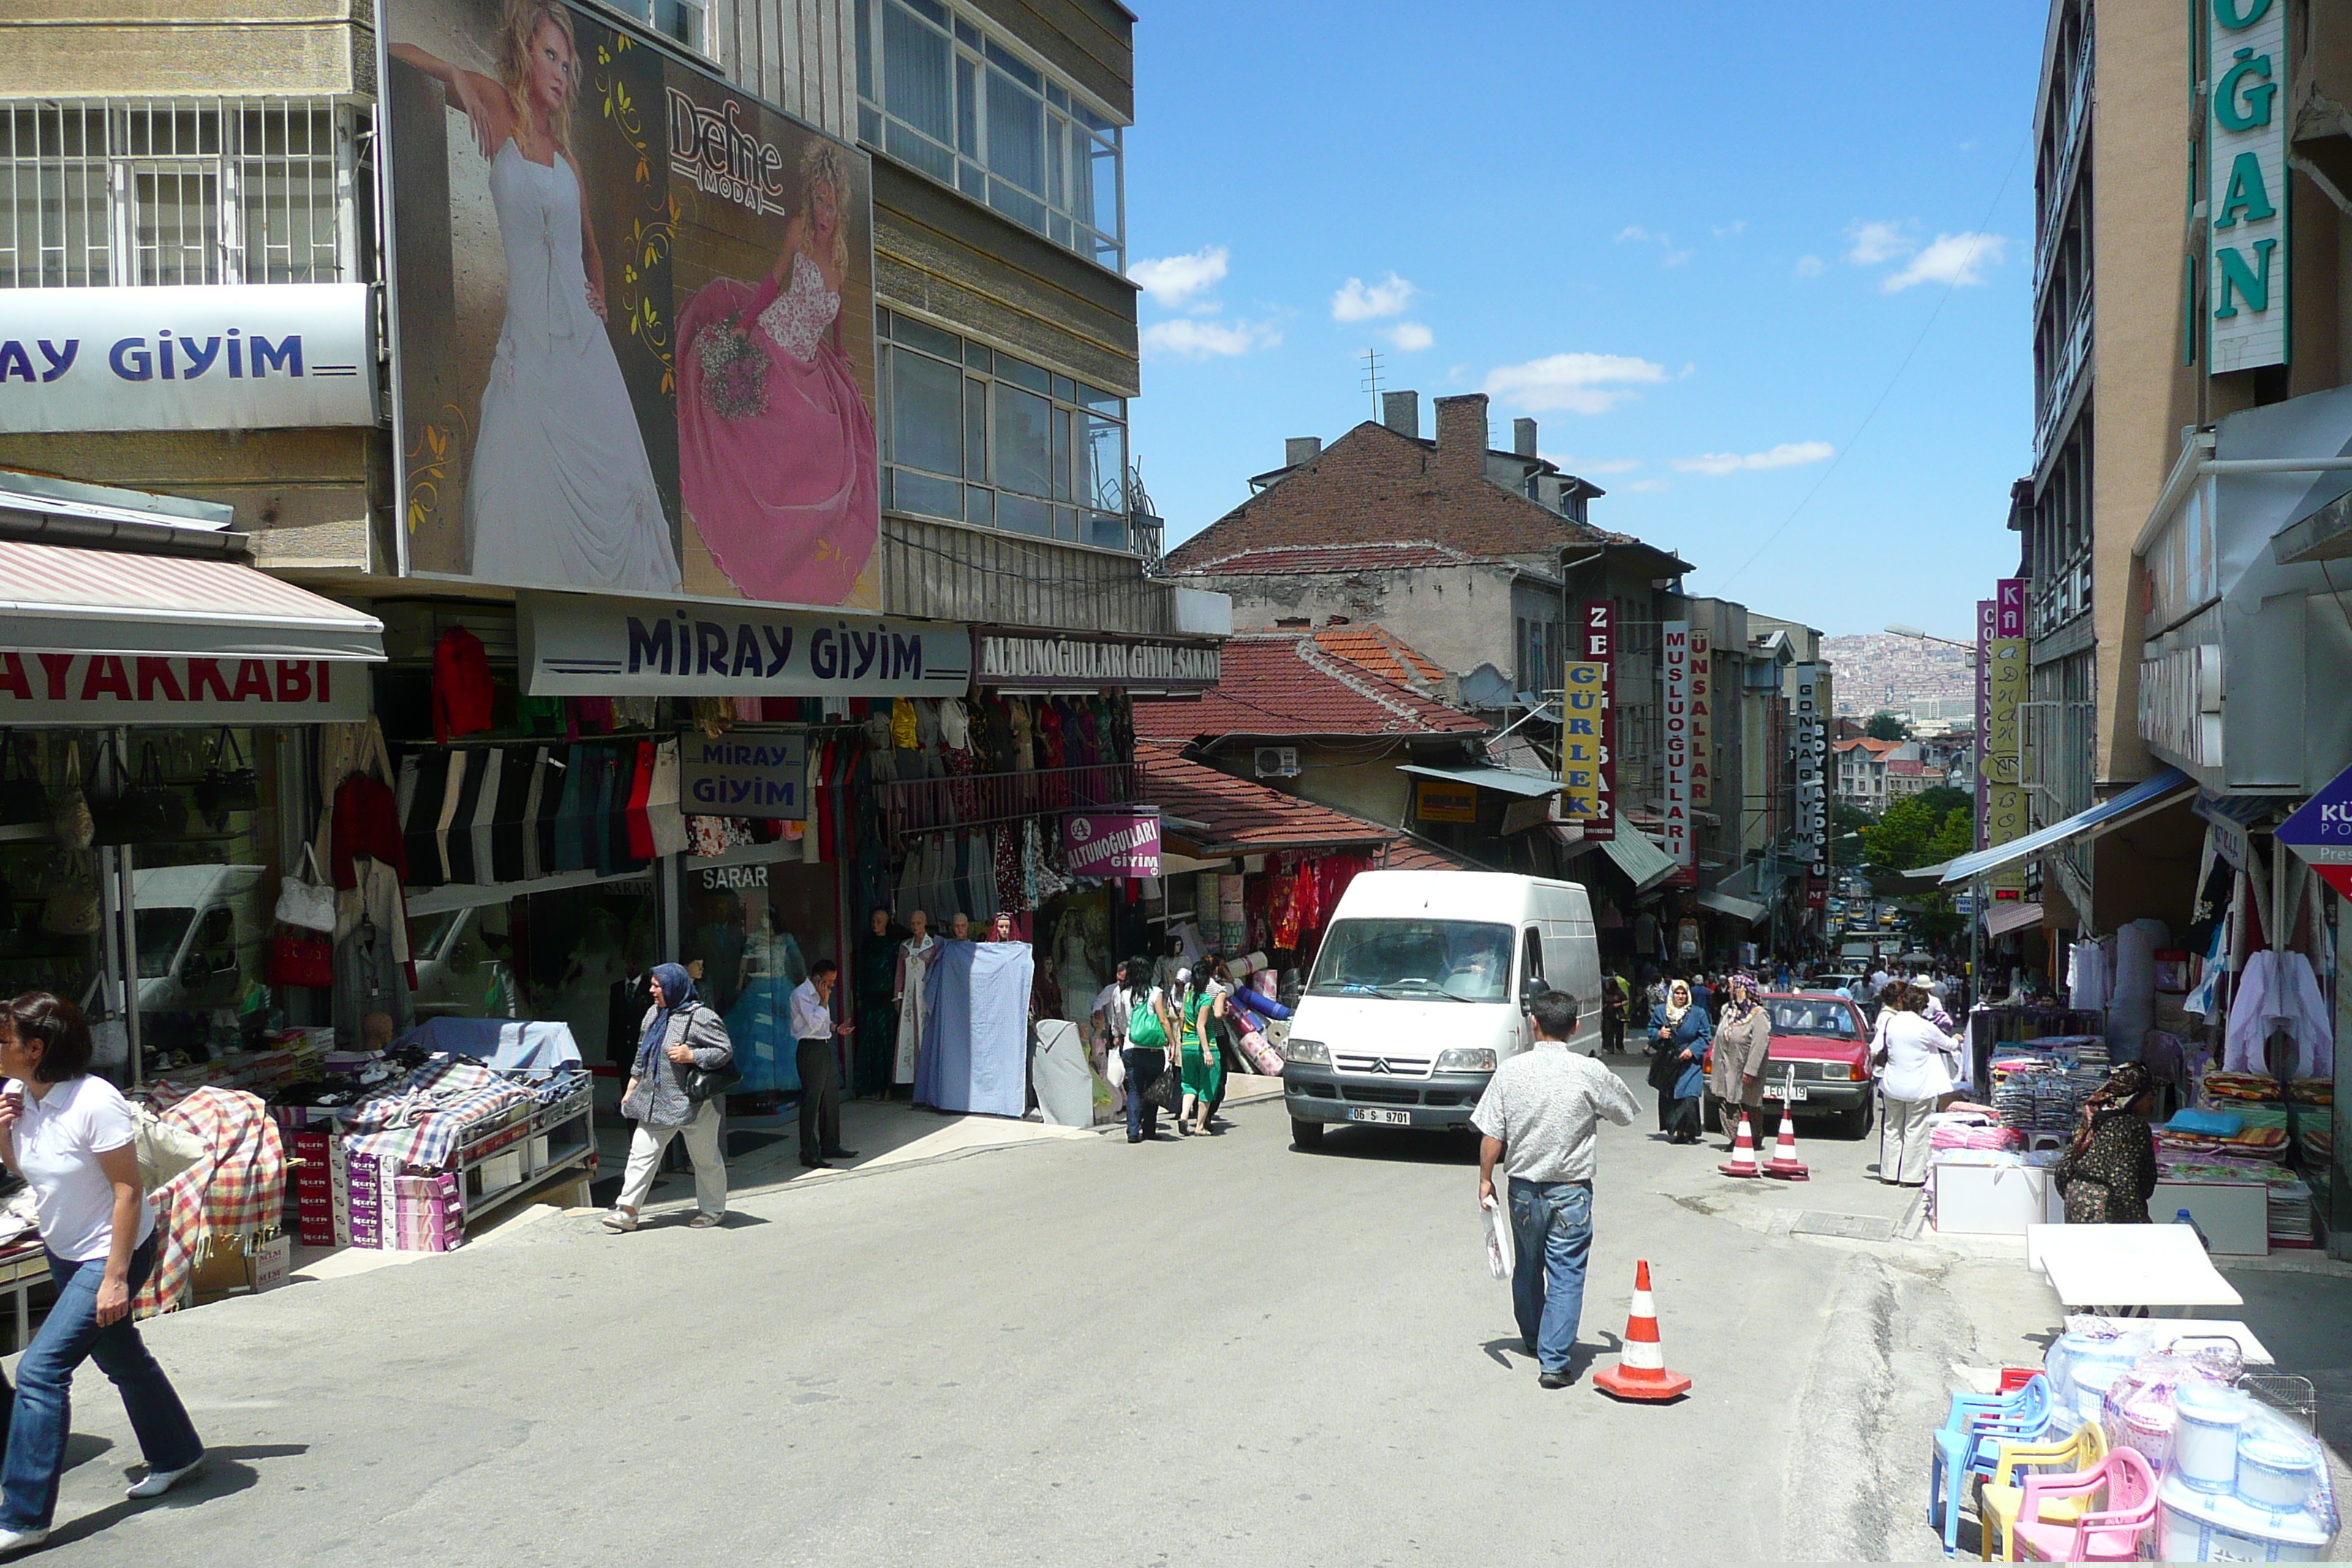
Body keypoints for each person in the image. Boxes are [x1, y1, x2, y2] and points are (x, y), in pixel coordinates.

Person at [388, 7, 683, 594]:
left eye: (567, 64)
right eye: (550, 55)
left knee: (616, 494)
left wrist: (599, 295)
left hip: (586, 356)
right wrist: (458, 75)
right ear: (524, 53)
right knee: (520, 493)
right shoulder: (497, 108)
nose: (560, 73)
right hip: (529, 354)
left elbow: (592, 252)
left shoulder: (571, 161)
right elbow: (395, 48)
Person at [0, 995, 206, 1549]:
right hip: (63, 1247)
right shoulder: (18, 1095)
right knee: (119, 1354)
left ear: (35, 1049)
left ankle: (21, 1517)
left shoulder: (95, 1101)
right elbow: (27, 1168)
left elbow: (128, 1189)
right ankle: (179, 1453)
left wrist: (116, 1277)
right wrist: (2, 1130)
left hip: (111, 1251)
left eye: (4, 1040)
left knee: (41, 1371)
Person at [674, 137, 879, 605]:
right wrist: (745, 327)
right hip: (774, 339)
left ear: (841, 209)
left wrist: (842, 349)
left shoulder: (841, 256)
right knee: (767, 443)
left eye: (832, 204)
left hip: (809, 356)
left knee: (827, 442)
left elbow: (838, 309)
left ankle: (799, 557)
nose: (824, 212)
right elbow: (772, 282)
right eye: (819, 200)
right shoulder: (799, 233)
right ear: (811, 198)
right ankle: (753, 529)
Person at [1473, 992, 1640, 1390]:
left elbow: (1493, 1134)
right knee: (1566, 1274)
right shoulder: (1589, 1071)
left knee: (1528, 1267)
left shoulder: (1511, 1072)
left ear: (1534, 1024)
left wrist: (1484, 1179)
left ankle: (1533, 1338)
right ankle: (1554, 1361)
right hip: (1571, 1193)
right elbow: (1626, 1113)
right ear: (1575, 1027)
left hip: (1523, 1192)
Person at [607, 963, 734, 1230]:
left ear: (674, 986)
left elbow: (724, 1051)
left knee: (705, 1158)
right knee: (641, 1152)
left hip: (694, 1104)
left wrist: (692, 1055)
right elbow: (643, 1054)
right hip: (655, 1103)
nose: (652, 990)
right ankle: (627, 1210)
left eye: (657, 985)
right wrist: (632, 1088)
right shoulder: (653, 1014)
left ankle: (713, 1210)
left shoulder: (700, 1016)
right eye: (652, 984)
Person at [1872, 983, 1962, 1186]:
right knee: (1915, 1130)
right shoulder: (1926, 1027)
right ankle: (1909, 1177)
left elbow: (1874, 1048)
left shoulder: (1890, 1023)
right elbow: (1949, 1045)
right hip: (1919, 1088)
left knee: (1892, 1128)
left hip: (1892, 1085)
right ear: (1922, 1007)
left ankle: (1888, 1173)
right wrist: (1958, 1039)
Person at [2052, 1063, 2159, 1223]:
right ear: (2133, 1097)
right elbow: (2123, 1178)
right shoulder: (2132, 1127)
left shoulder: (2091, 1119)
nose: (2153, 1104)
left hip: (2075, 1199)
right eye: (2150, 1097)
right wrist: (2140, 1222)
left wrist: (2074, 1194)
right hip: (2105, 1207)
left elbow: (2065, 1166)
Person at [790, 959, 857, 1169]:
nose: (832, 986)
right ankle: (808, 1151)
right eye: (829, 981)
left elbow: (823, 1024)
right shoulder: (801, 995)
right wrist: (824, 1002)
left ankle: (830, 1143)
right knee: (812, 1100)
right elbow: (813, 1023)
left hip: (824, 1045)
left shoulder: (821, 996)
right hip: (810, 1049)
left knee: (830, 1097)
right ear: (818, 980)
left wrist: (836, 1028)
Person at [1107, 959, 1172, 1143]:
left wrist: (1119, 1034)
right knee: (1152, 1089)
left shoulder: (1123, 994)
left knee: (1134, 1091)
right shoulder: (1155, 993)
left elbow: (1117, 1020)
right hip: (1153, 1049)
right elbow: (1163, 1020)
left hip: (1130, 1048)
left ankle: (1133, 1132)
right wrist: (1172, 1043)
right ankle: (1149, 1129)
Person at [1708, 973, 1772, 1150]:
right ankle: (1735, 1139)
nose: (1729, 991)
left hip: (1745, 1069)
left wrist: (1751, 1070)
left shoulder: (1759, 1015)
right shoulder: (1727, 1011)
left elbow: (1760, 1044)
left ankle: (1754, 1138)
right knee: (1727, 1102)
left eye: (1732, 987)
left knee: (1749, 1104)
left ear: (1742, 990)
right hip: (1725, 1066)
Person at [1646, 979, 1711, 1144]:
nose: (1680, 996)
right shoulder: (1662, 1011)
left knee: (1689, 1097)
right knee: (1672, 1097)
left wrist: (1692, 1050)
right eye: (1677, 993)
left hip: (1690, 1063)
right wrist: (1659, 1034)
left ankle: (1690, 1133)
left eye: (1683, 993)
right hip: (1669, 1061)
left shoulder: (1698, 1013)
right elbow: (1651, 1030)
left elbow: (1705, 1037)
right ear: (1672, 994)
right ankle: (1678, 1132)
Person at [1177, 955, 1230, 1137]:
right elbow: (1209, 1019)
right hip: (1209, 1043)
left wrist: (1179, 1041)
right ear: (1211, 974)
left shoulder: (1188, 993)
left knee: (1189, 1083)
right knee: (1208, 1085)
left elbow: (1182, 1018)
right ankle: (1201, 1124)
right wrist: (1207, 1051)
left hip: (1187, 1044)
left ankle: (1184, 1116)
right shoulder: (1212, 994)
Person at [851, 907, 899, 1098]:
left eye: (879, 920)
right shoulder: (867, 944)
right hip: (870, 998)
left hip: (886, 999)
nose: (875, 924)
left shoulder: (893, 945)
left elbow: (898, 974)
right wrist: (859, 995)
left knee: (885, 1044)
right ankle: (867, 1086)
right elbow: (860, 972)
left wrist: (897, 997)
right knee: (868, 1042)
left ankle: (886, 1086)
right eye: (873, 920)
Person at [892, 909, 935, 1096]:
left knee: (924, 1035)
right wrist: (898, 996)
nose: (915, 927)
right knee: (907, 1035)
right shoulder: (905, 946)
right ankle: (908, 1081)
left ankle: (926, 1080)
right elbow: (899, 974)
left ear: (925, 923)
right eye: (913, 924)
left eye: (918, 923)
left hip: (925, 997)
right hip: (909, 998)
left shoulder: (933, 946)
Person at [1599, 971, 1629, 1057]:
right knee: (1608, 1032)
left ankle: (1620, 1047)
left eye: (1608, 984)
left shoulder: (1618, 992)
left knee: (1619, 1032)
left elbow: (1626, 1000)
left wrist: (1619, 1004)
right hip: (1608, 1014)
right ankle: (1610, 1048)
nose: (1606, 986)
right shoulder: (1605, 992)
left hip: (1617, 1014)